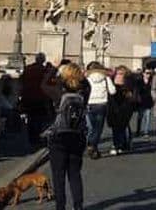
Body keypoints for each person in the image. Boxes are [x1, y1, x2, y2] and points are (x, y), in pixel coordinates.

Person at [41, 63, 90, 210]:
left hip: (59, 137)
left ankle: (60, 207)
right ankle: (78, 206)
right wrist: (81, 74)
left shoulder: (58, 92)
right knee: (75, 173)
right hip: (77, 136)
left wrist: (55, 67)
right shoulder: (83, 92)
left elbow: (43, 84)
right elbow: (86, 83)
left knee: (58, 175)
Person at [85, 62, 116, 159]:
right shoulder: (105, 78)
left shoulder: (87, 79)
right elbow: (112, 91)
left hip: (89, 104)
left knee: (91, 127)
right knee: (98, 128)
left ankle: (90, 144)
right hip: (101, 104)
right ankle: (93, 145)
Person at [20, 52, 50, 145]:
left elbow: (22, 81)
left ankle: (31, 138)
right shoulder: (44, 70)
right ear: (43, 60)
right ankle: (37, 138)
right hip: (40, 97)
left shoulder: (28, 68)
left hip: (28, 96)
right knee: (39, 119)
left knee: (31, 118)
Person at [107, 65, 135, 155]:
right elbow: (110, 95)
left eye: (122, 73)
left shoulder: (129, 83)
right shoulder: (111, 83)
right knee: (115, 128)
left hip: (125, 108)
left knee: (122, 127)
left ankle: (121, 144)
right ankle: (116, 145)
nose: (119, 75)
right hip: (113, 108)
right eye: (118, 73)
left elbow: (132, 96)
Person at [135, 68, 154, 139]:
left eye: (149, 73)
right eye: (146, 73)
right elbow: (137, 91)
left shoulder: (151, 81)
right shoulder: (139, 81)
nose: (148, 74)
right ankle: (138, 130)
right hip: (141, 101)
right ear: (143, 74)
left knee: (148, 117)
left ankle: (146, 132)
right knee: (140, 117)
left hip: (148, 101)